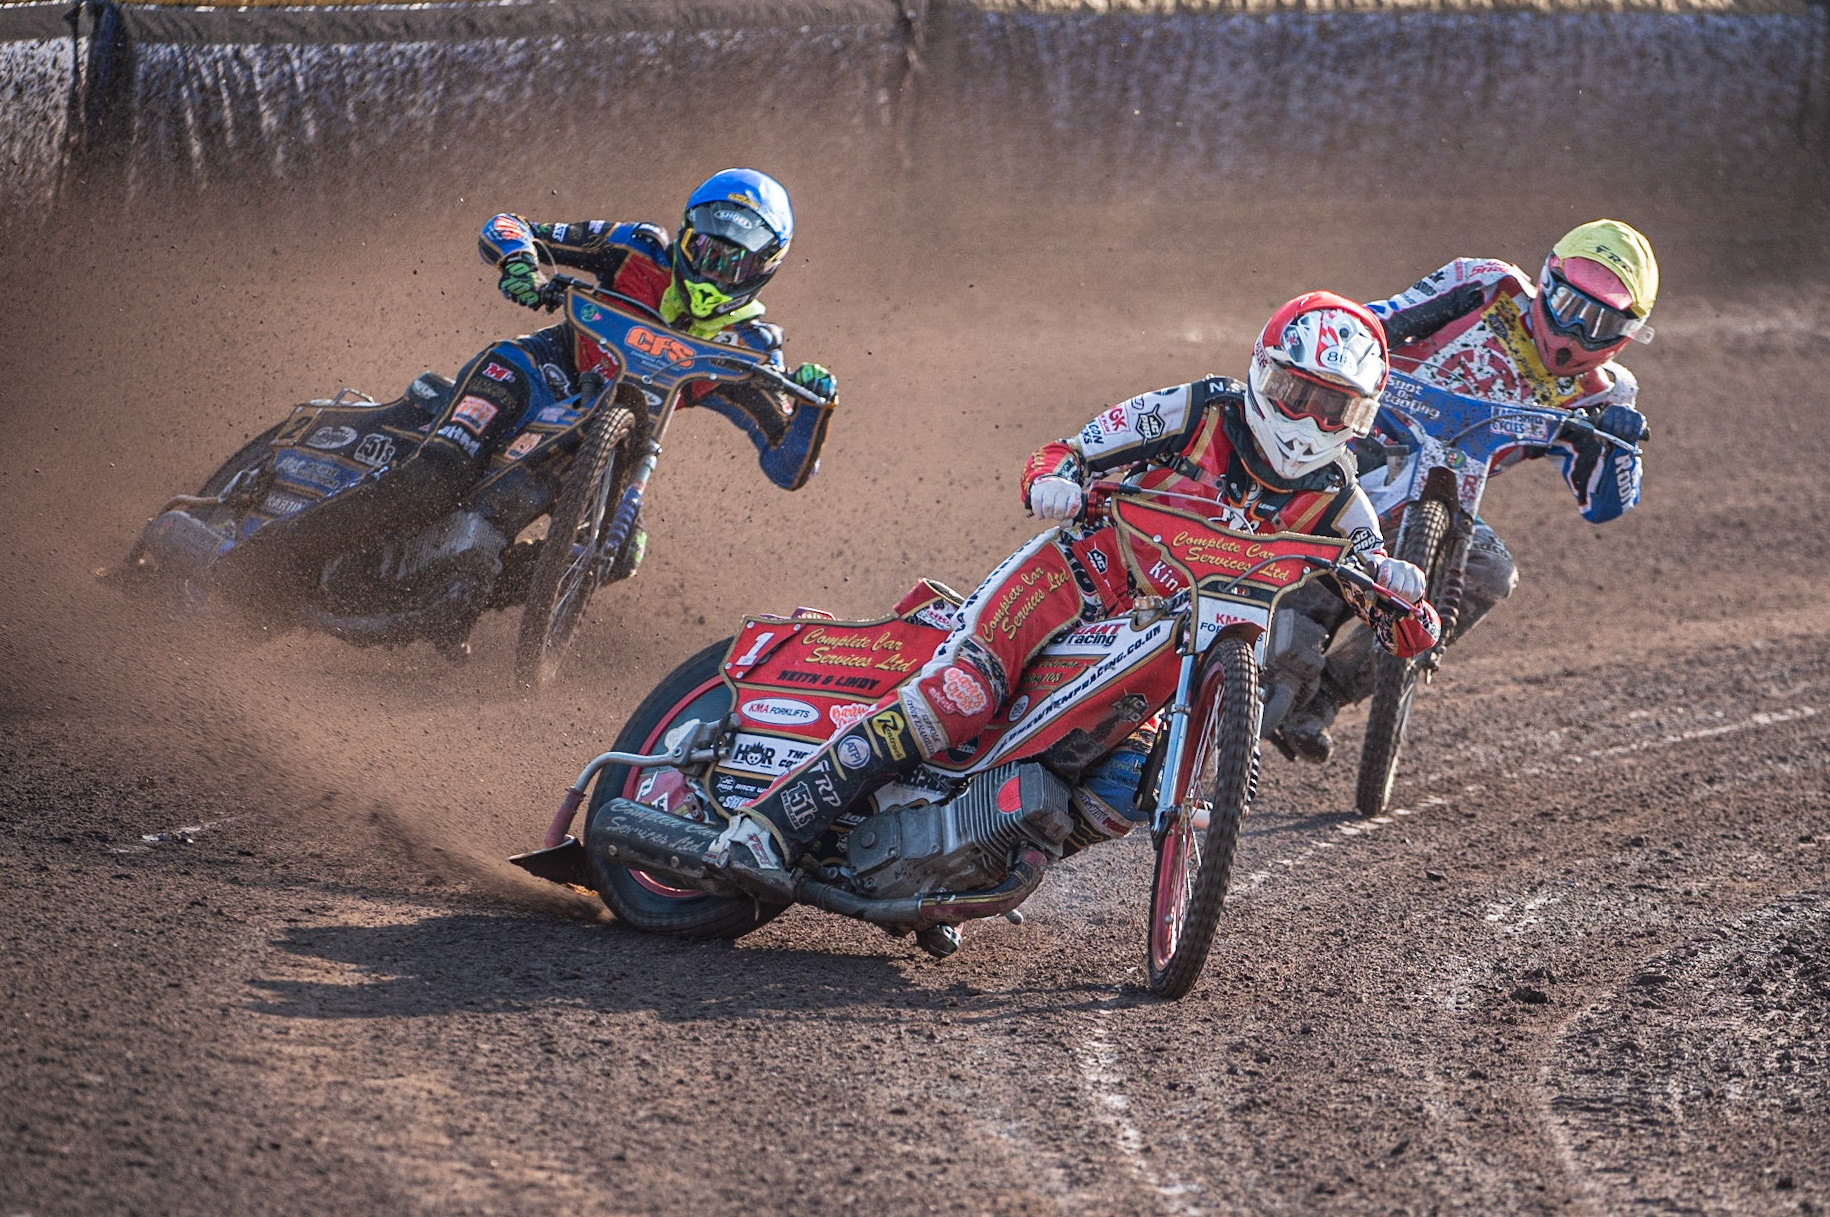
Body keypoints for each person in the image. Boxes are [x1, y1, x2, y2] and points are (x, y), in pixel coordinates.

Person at [701, 292, 1442, 897]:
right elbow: (1072, 449)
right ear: (1263, 371)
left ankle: (964, 866)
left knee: (1123, 788)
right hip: (1068, 583)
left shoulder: (1340, 499)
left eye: (1335, 408)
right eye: (1297, 392)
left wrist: (1408, 598)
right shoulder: (1196, 410)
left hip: (1165, 642)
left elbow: (1396, 619)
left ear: (1362, 420)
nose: (1310, 419)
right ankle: (765, 826)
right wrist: (1053, 482)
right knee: (959, 696)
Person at [215, 168, 838, 652]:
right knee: (433, 479)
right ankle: (251, 573)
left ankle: (457, 591)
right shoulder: (636, 248)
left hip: (616, 442)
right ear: (686, 233)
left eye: (735, 258)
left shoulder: (752, 348)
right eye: (705, 247)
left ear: (766, 267)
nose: (713, 266)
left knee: (618, 554)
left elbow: (787, 464)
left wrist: (815, 406)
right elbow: (513, 223)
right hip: (532, 373)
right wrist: (521, 262)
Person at [1270, 219, 1657, 763]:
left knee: (1490, 572)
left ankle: (1330, 693)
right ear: (1547, 281)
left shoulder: (1605, 392)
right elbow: (1376, 323)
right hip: (1363, 443)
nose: (1575, 331)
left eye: (1599, 321)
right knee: (1316, 524)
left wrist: (1619, 444)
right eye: (1570, 305)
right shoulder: (1485, 286)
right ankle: (1273, 640)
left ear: (1627, 333)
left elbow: (1603, 504)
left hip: (1450, 497)